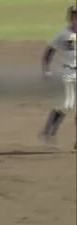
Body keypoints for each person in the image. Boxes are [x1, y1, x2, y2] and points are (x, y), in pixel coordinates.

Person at [40, 6, 76, 149]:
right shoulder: (63, 34)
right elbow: (48, 53)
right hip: (66, 73)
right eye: (75, 16)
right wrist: (46, 71)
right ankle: (48, 130)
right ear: (71, 18)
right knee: (67, 105)